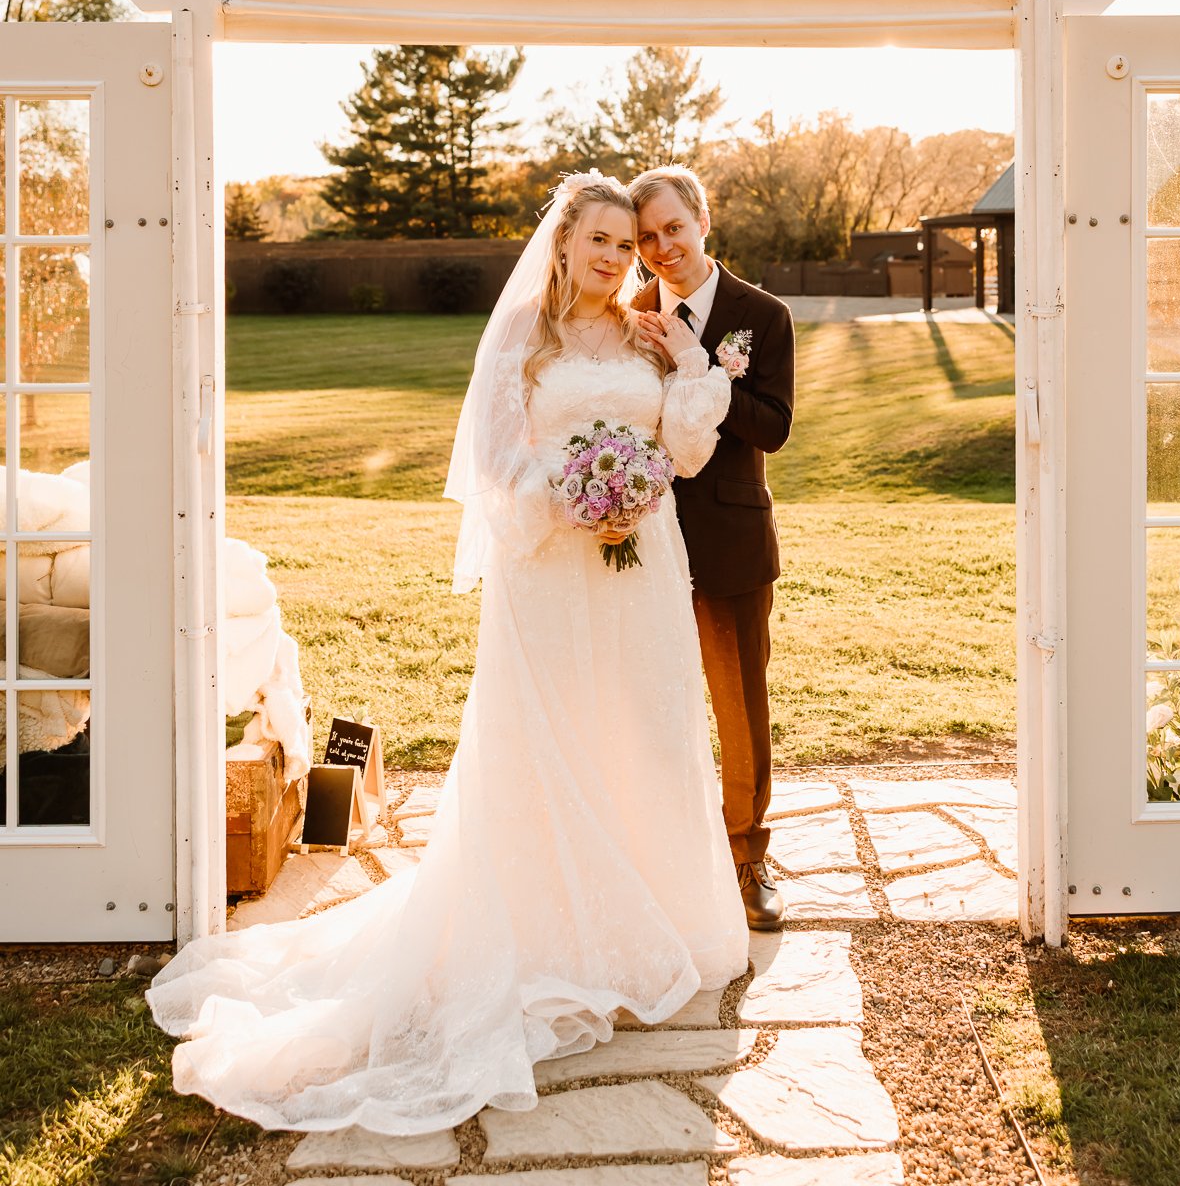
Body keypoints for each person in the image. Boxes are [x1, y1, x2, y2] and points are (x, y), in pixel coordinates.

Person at [146, 173, 747, 1133]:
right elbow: (499, 470)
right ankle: (550, 930)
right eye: (595, 241)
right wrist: (582, 497)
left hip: (640, 568)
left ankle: (652, 919)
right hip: (549, 565)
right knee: (544, 737)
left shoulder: (646, 332)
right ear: (561, 245)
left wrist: (685, 374)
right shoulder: (524, 340)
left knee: (644, 726)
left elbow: (685, 452)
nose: (611, 259)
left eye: (624, 247)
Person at [630, 166, 795, 932]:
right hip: (642, 539)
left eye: (673, 227)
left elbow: (772, 425)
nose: (662, 247)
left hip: (727, 538)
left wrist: (703, 373)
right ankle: (664, 853)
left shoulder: (759, 315)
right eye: (646, 238)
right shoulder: (627, 317)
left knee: (738, 707)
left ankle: (746, 855)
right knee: (649, 702)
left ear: (702, 219)